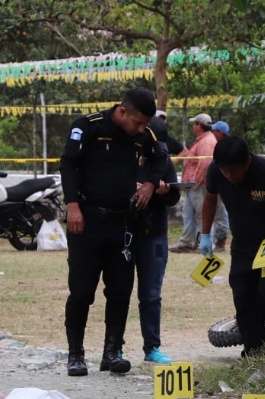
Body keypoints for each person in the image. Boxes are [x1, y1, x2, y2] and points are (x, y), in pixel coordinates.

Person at [59, 87, 167, 377]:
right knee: (81, 292)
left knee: (120, 292)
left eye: (146, 124)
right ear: (122, 112)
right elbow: (67, 163)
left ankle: (112, 353)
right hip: (87, 221)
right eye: (138, 123)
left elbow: (161, 158)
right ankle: (76, 355)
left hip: (123, 225)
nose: (142, 129)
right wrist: (72, 206)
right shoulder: (88, 127)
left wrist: (150, 183)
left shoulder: (144, 135)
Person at [199, 136, 265, 356]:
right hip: (243, 245)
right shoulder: (216, 171)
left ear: (247, 161)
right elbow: (210, 198)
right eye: (224, 171)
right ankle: (254, 353)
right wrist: (205, 234)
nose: (229, 176)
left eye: (233, 171)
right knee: (244, 298)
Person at [136, 116, 181, 364]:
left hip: (155, 235)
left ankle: (152, 348)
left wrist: (163, 193)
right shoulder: (126, 157)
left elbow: (173, 198)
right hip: (126, 231)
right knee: (118, 294)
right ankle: (114, 350)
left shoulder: (164, 160)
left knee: (151, 294)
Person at [169, 113, 217, 253]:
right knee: (188, 215)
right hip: (192, 186)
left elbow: (205, 163)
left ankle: (206, 243)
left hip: (199, 186)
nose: (193, 126)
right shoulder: (202, 140)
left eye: (194, 123)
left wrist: (195, 182)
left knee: (203, 215)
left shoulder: (207, 142)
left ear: (198, 125)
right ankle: (187, 242)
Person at [209, 121, 231, 252]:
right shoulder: (219, 145)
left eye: (214, 131)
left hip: (225, 185)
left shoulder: (227, 147)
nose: (212, 133)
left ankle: (221, 242)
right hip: (219, 184)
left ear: (219, 133)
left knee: (221, 215)